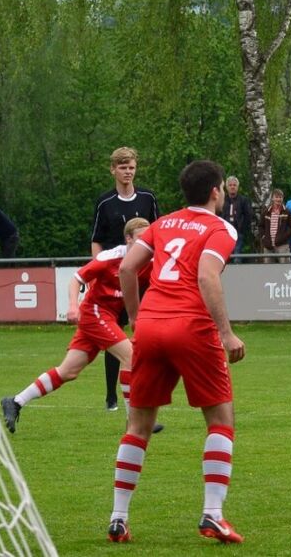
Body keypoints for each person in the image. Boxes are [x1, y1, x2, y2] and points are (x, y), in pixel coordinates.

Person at [109, 160, 245, 544]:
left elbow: (127, 268)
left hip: (151, 326)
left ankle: (118, 519)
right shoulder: (220, 228)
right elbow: (206, 275)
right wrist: (226, 333)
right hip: (192, 327)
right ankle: (213, 514)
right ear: (216, 191)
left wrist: (138, 318)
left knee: (138, 426)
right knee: (220, 420)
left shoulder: (163, 223)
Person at [0, 218, 151, 434]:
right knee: (131, 356)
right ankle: (134, 421)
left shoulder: (149, 260)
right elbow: (76, 279)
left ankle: (15, 401)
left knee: (68, 371)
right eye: (141, 238)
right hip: (94, 313)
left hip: (106, 316)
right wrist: (73, 306)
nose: (146, 243)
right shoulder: (110, 257)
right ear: (128, 239)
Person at [91, 147, 160, 412]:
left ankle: (146, 388)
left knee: (148, 330)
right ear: (113, 170)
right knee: (115, 334)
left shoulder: (148, 197)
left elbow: (159, 233)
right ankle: (111, 395)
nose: (128, 172)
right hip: (115, 277)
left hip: (144, 276)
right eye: (122, 167)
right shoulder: (105, 202)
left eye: (131, 167)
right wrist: (97, 272)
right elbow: (96, 240)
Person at [220, 176, 253, 262]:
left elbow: (248, 215)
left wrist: (242, 228)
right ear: (227, 187)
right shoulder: (222, 200)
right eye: (230, 185)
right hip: (225, 232)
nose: (232, 187)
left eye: (234, 185)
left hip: (238, 231)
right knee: (224, 255)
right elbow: (218, 214)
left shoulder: (243, 200)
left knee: (237, 256)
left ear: (237, 187)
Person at [259, 188, 291, 264]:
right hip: (268, 244)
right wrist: (264, 237)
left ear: (283, 198)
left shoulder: (287, 212)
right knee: (268, 267)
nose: (278, 199)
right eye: (276, 197)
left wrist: (284, 237)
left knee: (285, 268)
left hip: (282, 245)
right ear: (272, 198)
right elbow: (261, 226)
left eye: (280, 197)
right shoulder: (266, 212)